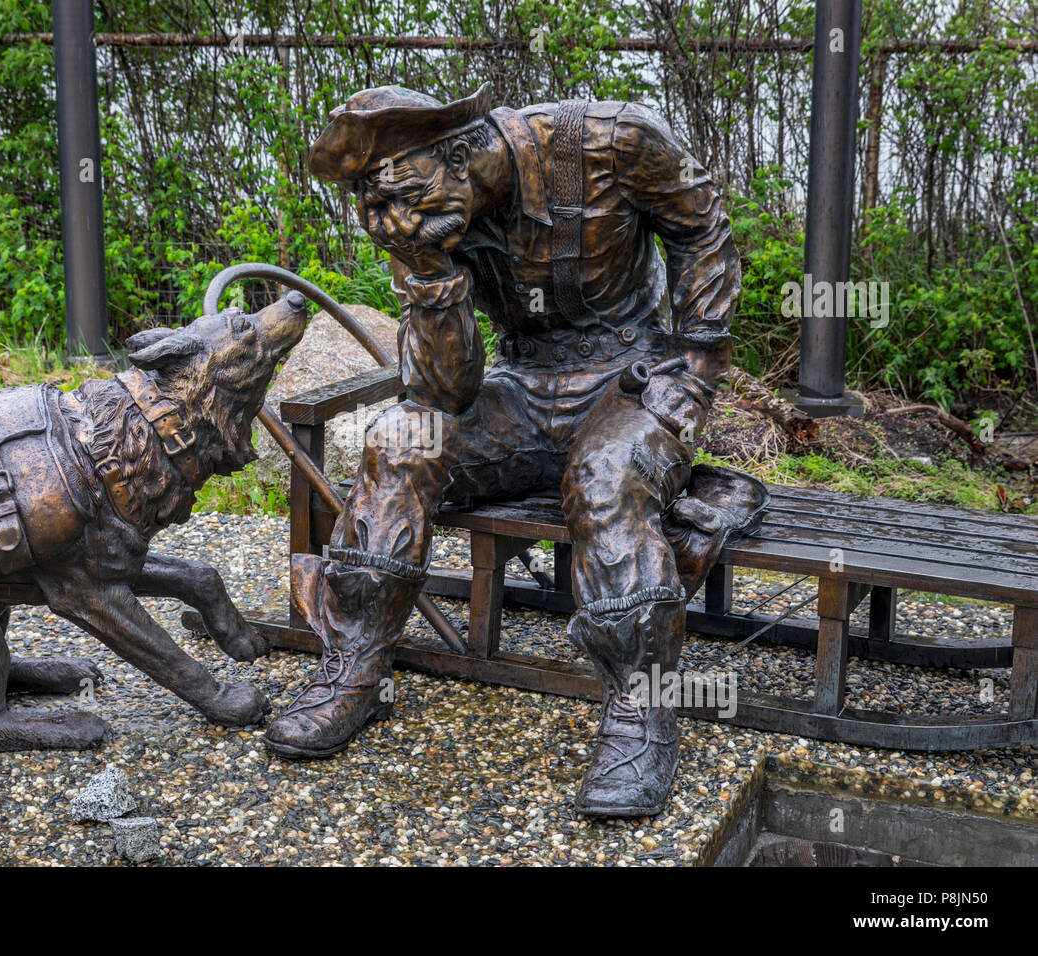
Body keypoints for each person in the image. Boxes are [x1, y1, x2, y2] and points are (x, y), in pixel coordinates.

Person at [264, 83, 752, 817]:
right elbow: (444, 394)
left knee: (609, 473)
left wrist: (699, 363)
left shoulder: (609, 141)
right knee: (401, 439)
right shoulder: (424, 226)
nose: (393, 219)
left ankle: (641, 711)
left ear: (460, 149)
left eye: (401, 192)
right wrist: (428, 276)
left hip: (630, 379)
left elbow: (702, 226)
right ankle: (355, 667)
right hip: (522, 386)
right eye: (374, 207)